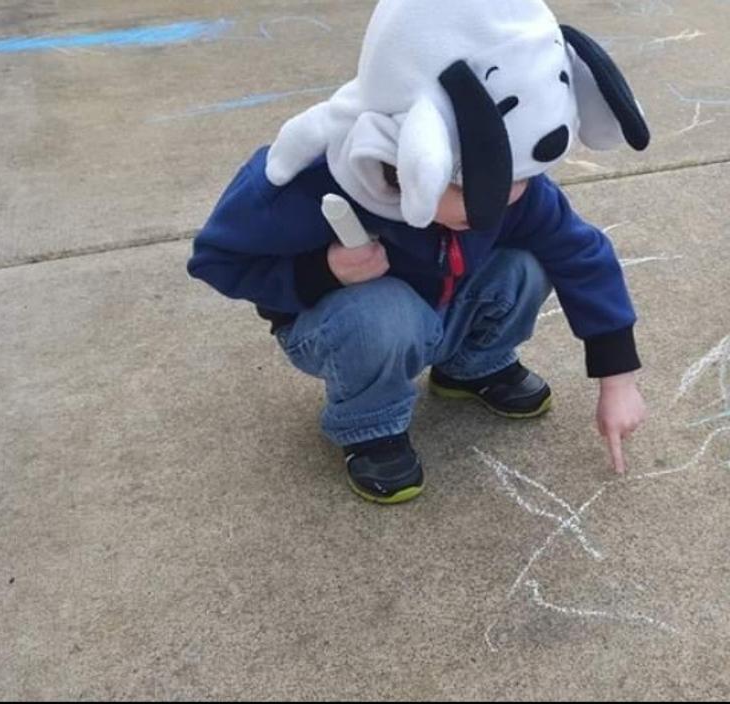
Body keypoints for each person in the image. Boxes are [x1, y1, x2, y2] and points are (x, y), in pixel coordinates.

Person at [188, 0, 651, 503]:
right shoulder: (307, 181)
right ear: (409, 156)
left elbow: (583, 256)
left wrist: (617, 379)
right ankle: (371, 424)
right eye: (481, 188)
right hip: (345, 325)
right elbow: (217, 260)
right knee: (381, 314)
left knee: (532, 262)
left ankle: (474, 363)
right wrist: (324, 271)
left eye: (518, 179)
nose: (508, 199)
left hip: (446, 308)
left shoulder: (513, 189)